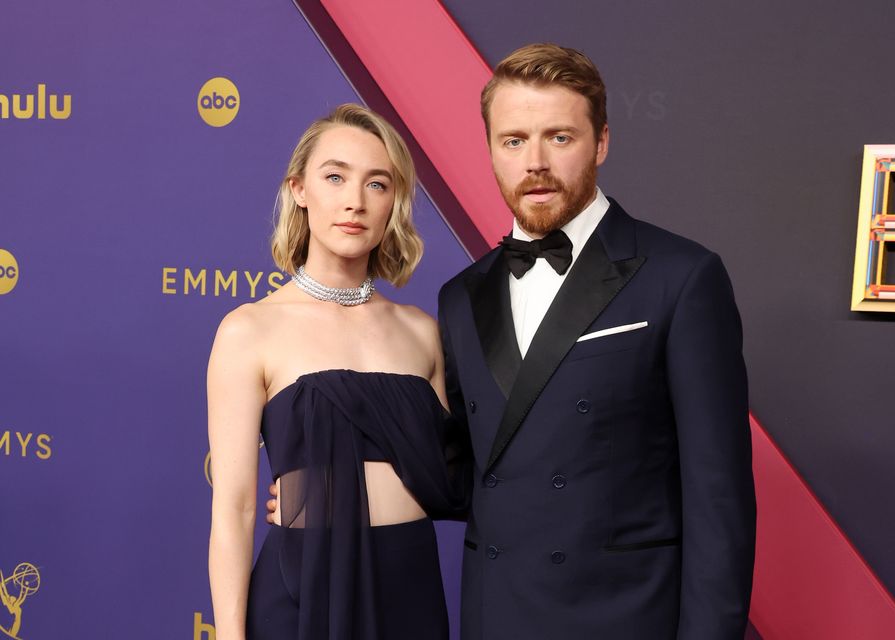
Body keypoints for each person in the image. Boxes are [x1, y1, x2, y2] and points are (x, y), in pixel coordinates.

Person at [436, 44, 756, 639]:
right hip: (496, 616)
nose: (534, 162)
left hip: (623, 618)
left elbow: (719, 498)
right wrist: (331, 489)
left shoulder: (681, 276)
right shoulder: (459, 296)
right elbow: (460, 471)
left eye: (559, 137)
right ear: (490, 151)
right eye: (512, 141)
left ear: (601, 142)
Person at [207, 104, 466, 640]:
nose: (354, 201)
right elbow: (234, 509)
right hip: (306, 587)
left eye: (377, 183)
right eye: (335, 177)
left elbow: (457, 474)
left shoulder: (422, 331)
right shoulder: (249, 329)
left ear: (393, 200)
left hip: (411, 587)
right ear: (299, 189)